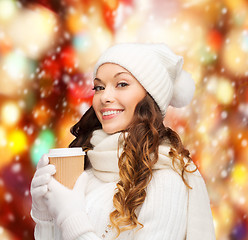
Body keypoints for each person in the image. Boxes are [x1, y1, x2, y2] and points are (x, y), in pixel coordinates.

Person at [30, 43, 216, 240]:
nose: (105, 97)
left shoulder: (165, 181)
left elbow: (72, 223)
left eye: (122, 84)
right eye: (99, 87)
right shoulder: (89, 168)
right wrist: (44, 216)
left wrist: (70, 217)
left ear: (149, 98)